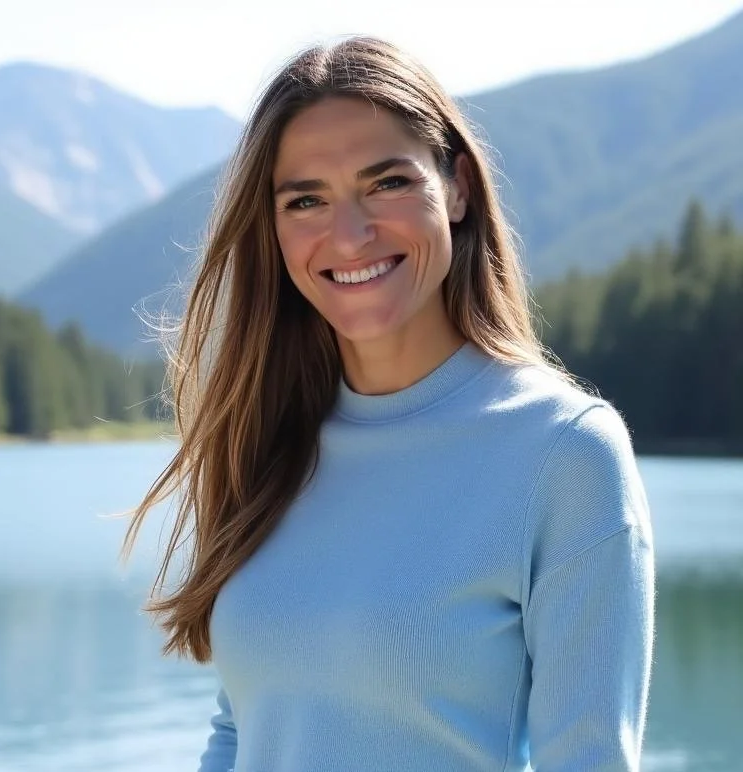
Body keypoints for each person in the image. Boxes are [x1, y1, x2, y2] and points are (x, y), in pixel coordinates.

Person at [123, 36, 655, 772]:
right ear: (274, 231)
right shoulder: (271, 441)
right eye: (305, 200)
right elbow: (244, 727)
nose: (349, 234)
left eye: (387, 184)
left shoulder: (563, 451)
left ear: (458, 187)